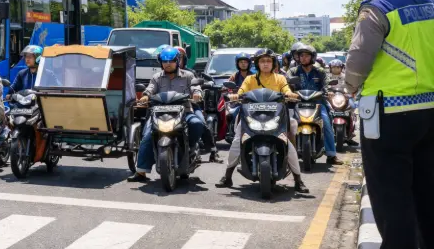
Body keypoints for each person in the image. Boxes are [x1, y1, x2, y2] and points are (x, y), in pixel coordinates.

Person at [349, 0, 434, 249]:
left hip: (388, 116)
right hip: (429, 112)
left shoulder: (377, 8)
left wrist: (348, 87)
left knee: (391, 200)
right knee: (427, 195)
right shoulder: (429, 4)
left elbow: (358, 60)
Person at [216, 49, 309, 193]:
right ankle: (227, 176)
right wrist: (236, 96)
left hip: (276, 117)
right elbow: (241, 91)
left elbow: (286, 89)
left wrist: (291, 94)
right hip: (251, 117)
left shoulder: (280, 78)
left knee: (289, 145)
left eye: (268, 61)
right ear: (257, 64)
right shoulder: (250, 79)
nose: (265, 64)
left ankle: (298, 180)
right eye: (262, 61)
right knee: (237, 141)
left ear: (273, 63)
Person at [127, 47, 207, 183]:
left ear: (177, 61)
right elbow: (150, 89)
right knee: (147, 137)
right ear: (161, 63)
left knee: (197, 123)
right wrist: (145, 96)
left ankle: (191, 147)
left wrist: (197, 93)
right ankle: (141, 171)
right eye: (165, 61)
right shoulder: (157, 77)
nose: (168, 64)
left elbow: (196, 87)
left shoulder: (188, 76)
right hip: (159, 114)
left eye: (171, 61)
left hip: (183, 113)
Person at [287, 44, 343, 166]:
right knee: (287, 124)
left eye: (306, 55)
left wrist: (328, 92)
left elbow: (326, 84)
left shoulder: (320, 71)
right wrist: (288, 93)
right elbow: (286, 83)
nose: (303, 58)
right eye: (301, 55)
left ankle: (331, 154)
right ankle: (286, 154)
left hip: (318, 103)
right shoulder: (293, 71)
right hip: (298, 103)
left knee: (327, 123)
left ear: (312, 57)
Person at [328, 59, 358, 147]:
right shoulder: (327, 77)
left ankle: (352, 129)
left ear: (341, 68)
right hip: (331, 98)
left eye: (338, 67)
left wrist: (350, 93)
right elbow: (324, 87)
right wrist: (327, 93)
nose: (335, 69)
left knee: (353, 106)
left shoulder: (345, 77)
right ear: (330, 68)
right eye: (333, 67)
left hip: (344, 98)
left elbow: (351, 86)